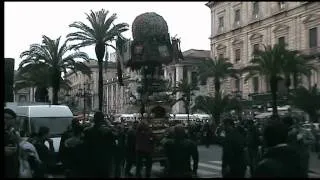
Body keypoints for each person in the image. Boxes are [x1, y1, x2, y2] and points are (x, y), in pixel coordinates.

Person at [82, 111, 116, 178]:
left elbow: (85, 147)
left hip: (91, 162)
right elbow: (112, 147)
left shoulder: (87, 131)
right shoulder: (108, 132)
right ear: (103, 119)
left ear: (94, 119)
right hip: (104, 162)